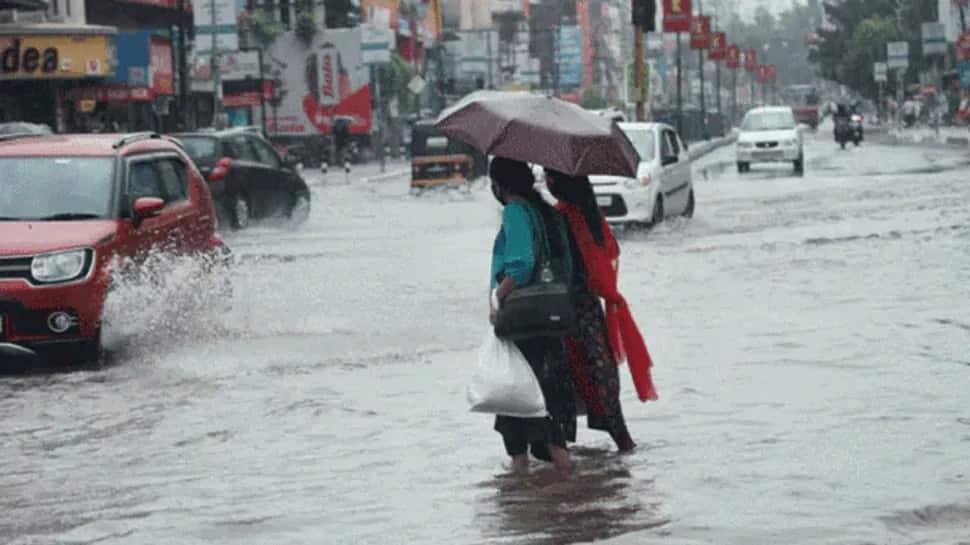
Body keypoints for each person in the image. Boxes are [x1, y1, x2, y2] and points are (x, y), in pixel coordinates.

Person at [545, 170, 659, 452]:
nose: (546, 182)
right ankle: (623, 445)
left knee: (571, 381)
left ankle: (561, 461)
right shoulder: (592, 216)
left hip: (568, 312)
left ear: (561, 183)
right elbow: (610, 253)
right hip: (592, 310)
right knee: (601, 376)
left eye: (550, 177)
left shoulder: (562, 217)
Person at [488, 157, 576, 476]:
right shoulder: (544, 212)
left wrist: (498, 295)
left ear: (499, 184)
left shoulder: (515, 212)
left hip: (523, 322)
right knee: (543, 398)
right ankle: (565, 481)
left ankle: (519, 484)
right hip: (549, 318)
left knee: (518, 399)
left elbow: (522, 265)